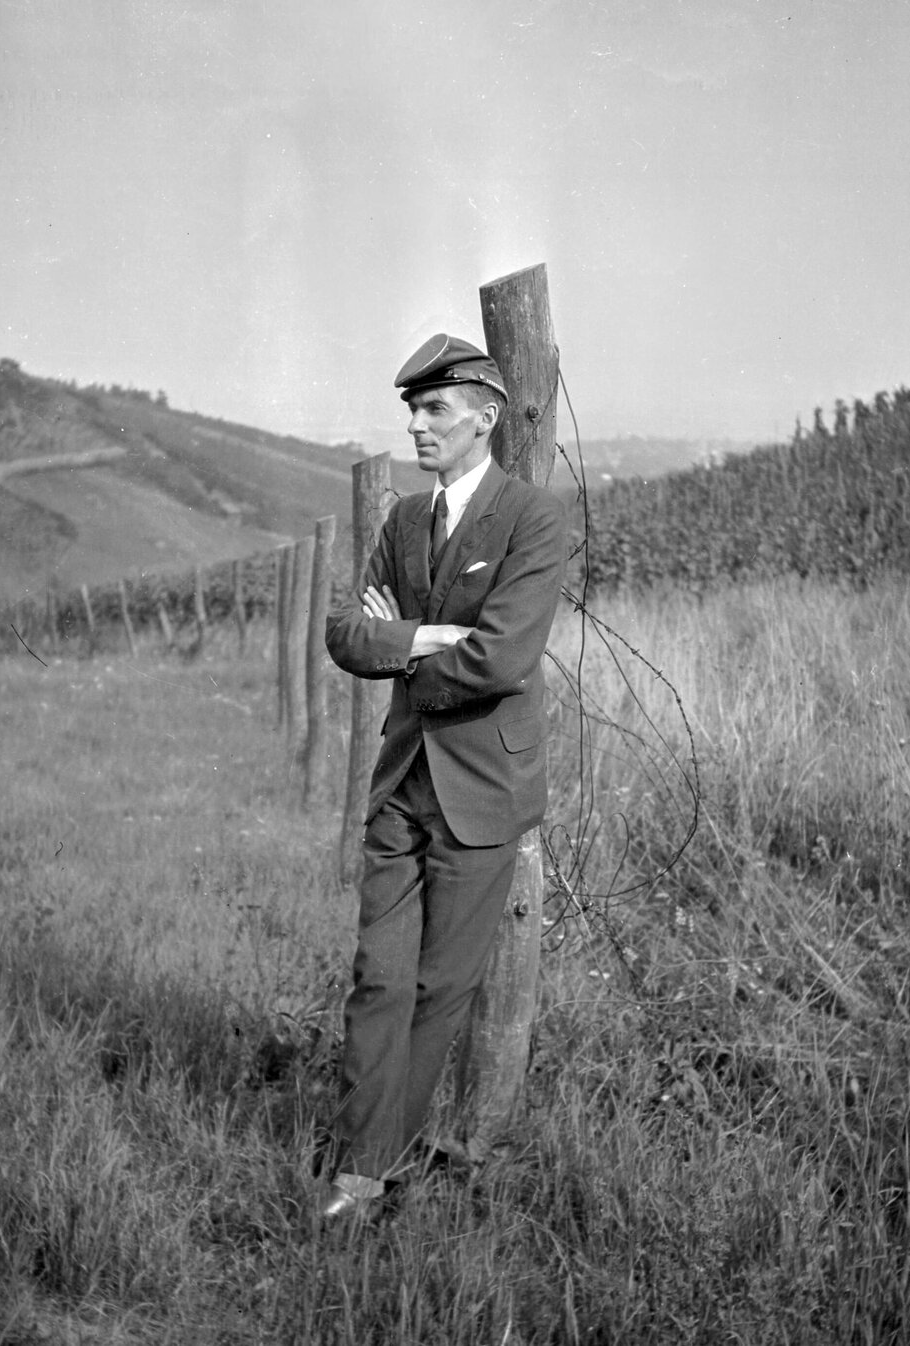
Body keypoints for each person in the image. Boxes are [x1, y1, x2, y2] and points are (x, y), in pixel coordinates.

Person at [322, 333, 567, 1219]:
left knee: (439, 988)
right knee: (379, 978)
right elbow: (346, 635)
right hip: (402, 784)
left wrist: (398, 646)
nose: (417, 426)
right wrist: (426, 635)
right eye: (412, 411)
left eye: (435, 409)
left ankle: (366, 1167)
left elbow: (502, 658)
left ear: (486, 418)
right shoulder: (400, 522)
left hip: (483, 793)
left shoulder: (533, 518)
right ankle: (362, 1165)